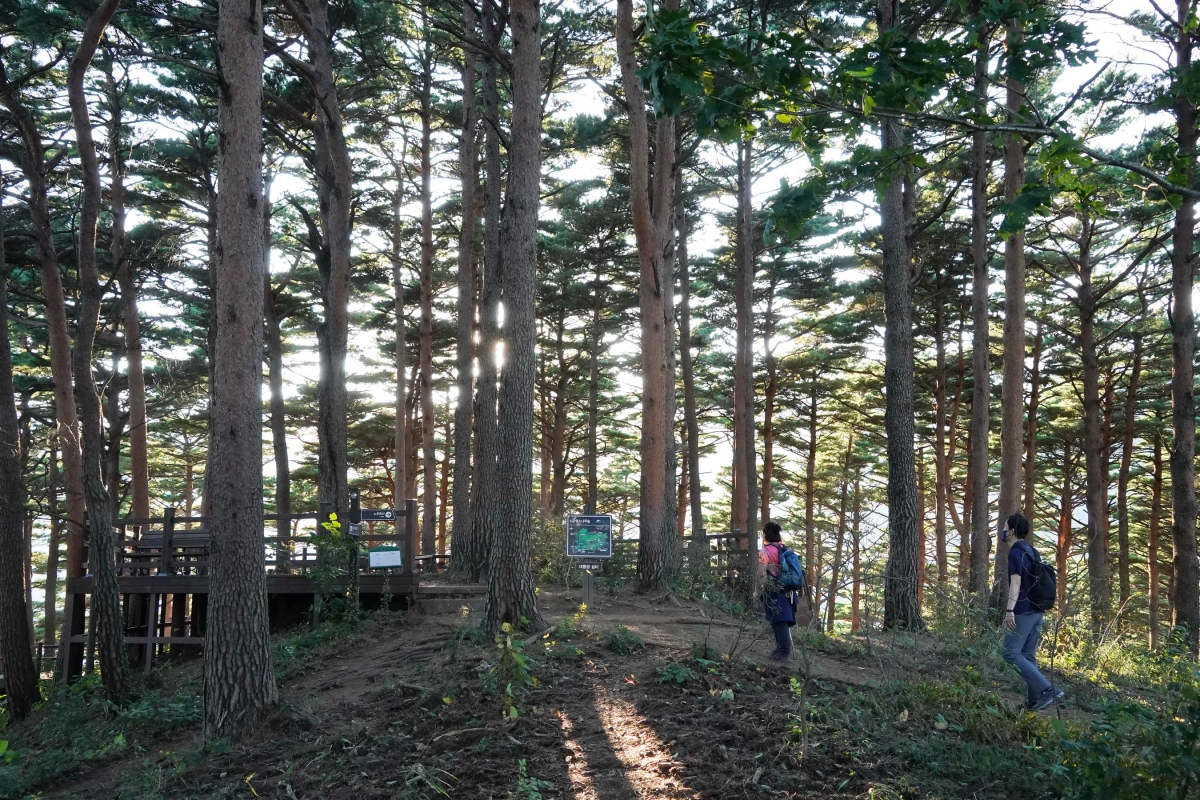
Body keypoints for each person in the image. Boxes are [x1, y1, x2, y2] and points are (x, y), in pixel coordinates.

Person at [1001, 512, 1064, 711]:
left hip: (1022, 609)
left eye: (1004, 527)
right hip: (1038, 608)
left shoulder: (1015, 552)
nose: (1002, 531)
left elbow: (1016, 582)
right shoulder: (1031, 550)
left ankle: (1047, 690)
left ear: (1011, 531)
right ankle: (1034, 700)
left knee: (1010, 652)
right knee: (1028, 655)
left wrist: (1009, 610)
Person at [758, 521, 797, 662]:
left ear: (765, 536)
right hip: (788, 588)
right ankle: (780, 648)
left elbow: (761, 573)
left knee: (778, 620)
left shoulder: (764, 552)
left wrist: (760, 588)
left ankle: (784, 651)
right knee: (781, 620)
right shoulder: (784, 549)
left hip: (773, 588)